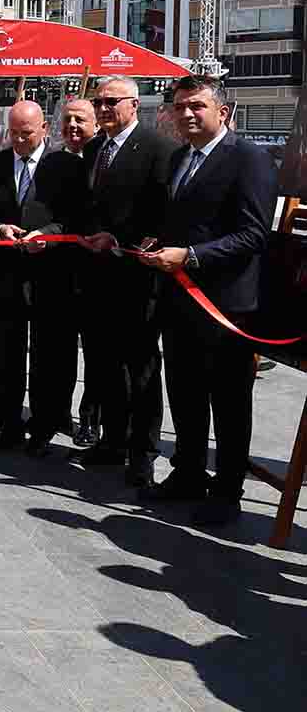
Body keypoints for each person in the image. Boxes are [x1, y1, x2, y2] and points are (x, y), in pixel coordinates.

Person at [138, 76, 278, 525]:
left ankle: (227, 489)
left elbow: (254, 234)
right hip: (179, 299)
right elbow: (182, 223)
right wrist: (157, 242)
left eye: (196, 105)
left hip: (226, 304)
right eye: (179, 107)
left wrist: (193, 255)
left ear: (222, 110)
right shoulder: (180, 157)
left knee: (229, 400)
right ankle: (188, 473)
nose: (186, 115)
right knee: (185, 391)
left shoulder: (248, 157)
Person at [76, 75, 177, 487]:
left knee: (141, 368)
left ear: (134, 104)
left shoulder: (158, 150)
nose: (102, 110)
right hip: (97, 277)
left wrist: (121, 240)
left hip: (136, 279)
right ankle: (113, 440)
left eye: (110, 102)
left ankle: (143, 451)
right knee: (103, 364)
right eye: (97, 102)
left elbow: (162, 215)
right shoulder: (95, 148)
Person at [0, 101, 88, 456]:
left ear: (45, 129)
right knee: (5, 356)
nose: (20, 140)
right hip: (4, 277)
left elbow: (77, 219)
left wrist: (48, 233)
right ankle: (8, 425)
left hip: (50, 278)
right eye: (13, 133)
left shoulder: (67, 166)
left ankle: (43, 427)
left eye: (26, 133)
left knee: (48, 358)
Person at [59, 97, 103, 447]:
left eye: (81, 120)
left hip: (97, 270)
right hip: (60, 271)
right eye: (67, 119)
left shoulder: (103, 160)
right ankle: (57, 413)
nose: (73, 126)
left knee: (96, 354)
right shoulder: (55, 161)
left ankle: (91, 418)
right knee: (59, 351)